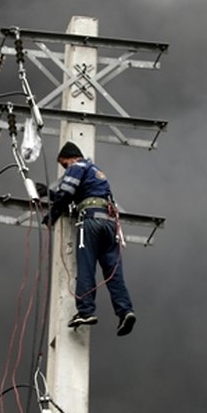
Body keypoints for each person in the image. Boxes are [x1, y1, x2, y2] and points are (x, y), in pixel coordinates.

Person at [38, 141, 136, 336]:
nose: (65, 169)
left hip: (91, 223)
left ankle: (86, 311)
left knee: (86, 266)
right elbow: (75, 194)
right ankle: (125, 311)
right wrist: (48, 194)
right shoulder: (97, 172)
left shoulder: (77, 167)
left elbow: (66, 193)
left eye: (65, 164)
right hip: (110, 225)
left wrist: (52, 216)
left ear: (72, 158)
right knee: (113, 274)